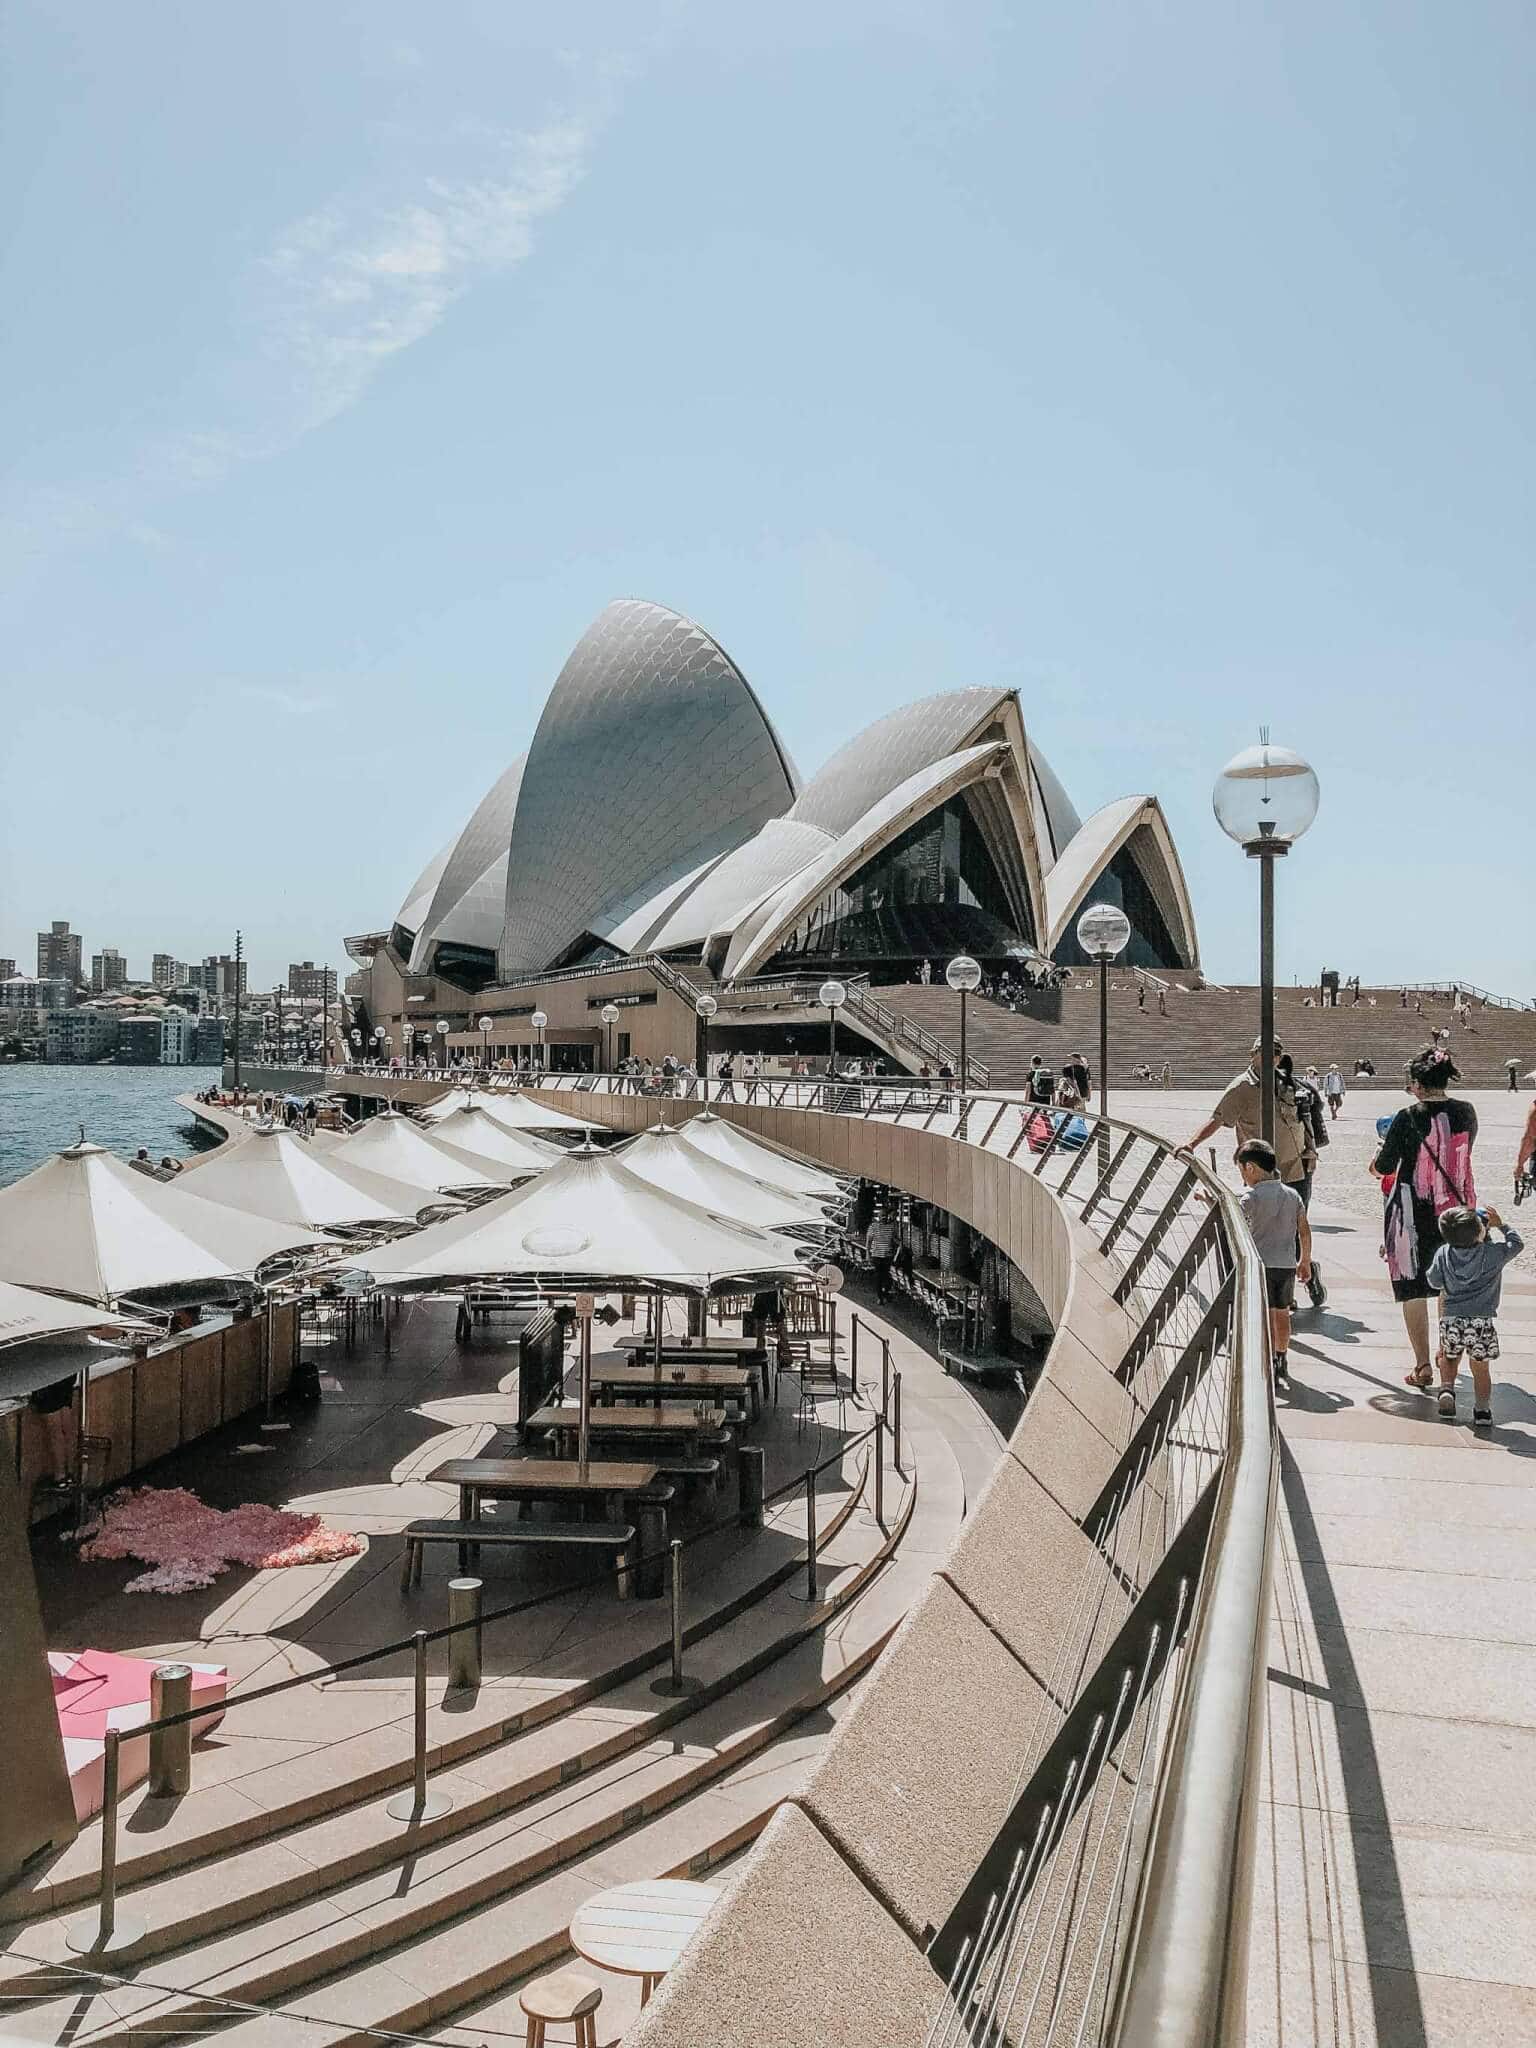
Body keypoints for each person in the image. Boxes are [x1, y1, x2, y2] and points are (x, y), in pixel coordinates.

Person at [1370, 1048, 1478, 1390]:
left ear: (1417, 1083)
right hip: (1456, 1213)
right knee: (1449, 1285)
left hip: (1412, 1217)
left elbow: (1385, 1167)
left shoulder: (1407, 1116)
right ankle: (1445, 1357)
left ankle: (1421, 1366)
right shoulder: (1466, 1112)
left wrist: (1375, 1163)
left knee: (1413, 1289)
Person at [1426, 1205, 1521, 1426]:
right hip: (1481, 1321)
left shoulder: (1443, 1253)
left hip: (1451, 1319)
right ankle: (1482, 1411)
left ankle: (1447, 1388)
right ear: (1481, 1231)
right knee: (1480, 1368)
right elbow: (1516, 1245)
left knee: (1448, 1357)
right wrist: (1502, 1225)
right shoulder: (1492, 1254)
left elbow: (1433, 1281)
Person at [1185, 1039, 1308, 1193]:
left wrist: (1312, 1152)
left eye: (1276, 1053)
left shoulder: (1287, 1082)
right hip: (1264, 1174)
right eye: (1265, 1052)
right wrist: (1191, 1144)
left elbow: (1303, 1118)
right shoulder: (1242, 1086)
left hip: (1297, 1170)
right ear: (1253, 1055)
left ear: (1280, 1058)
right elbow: (1218, 1119)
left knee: (1299, 1216)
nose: (1271, 1057)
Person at [1236, 1139, 1311, 1390]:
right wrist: (1305, 1260)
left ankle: (1266, 1360)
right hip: (1287, 1265)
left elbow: (1236, 1221)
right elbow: (1304, 1231)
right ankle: (1282, 1356)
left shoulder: (1250, 1197)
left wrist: (1206, 1199)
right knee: (1282, 1314)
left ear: (1251, 1168)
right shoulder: (1292, 1195)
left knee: (1265, 1315)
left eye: (1241, 1170)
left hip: (1262, 1266)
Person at [28, 1377, 77, 1491]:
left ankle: (60, 1477)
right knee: (65, 1427)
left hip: (49, 1381)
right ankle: (69, 1473)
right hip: (65, 1375)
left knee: (55, 1431)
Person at [867, 1207, 898, 1303]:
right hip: (876, 1255)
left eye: (885, 1216)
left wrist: (898, 1245)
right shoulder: (873, 1226)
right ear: (878, 1216)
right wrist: (868, 1254)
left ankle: (885, 1293)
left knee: (887, 1277)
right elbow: (868, 1242)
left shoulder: (891, 1227)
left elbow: (894, 1240)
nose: (883, 1218)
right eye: (882, 1216)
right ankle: (880, 1297)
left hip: (888, 1256)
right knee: (878, 1277)